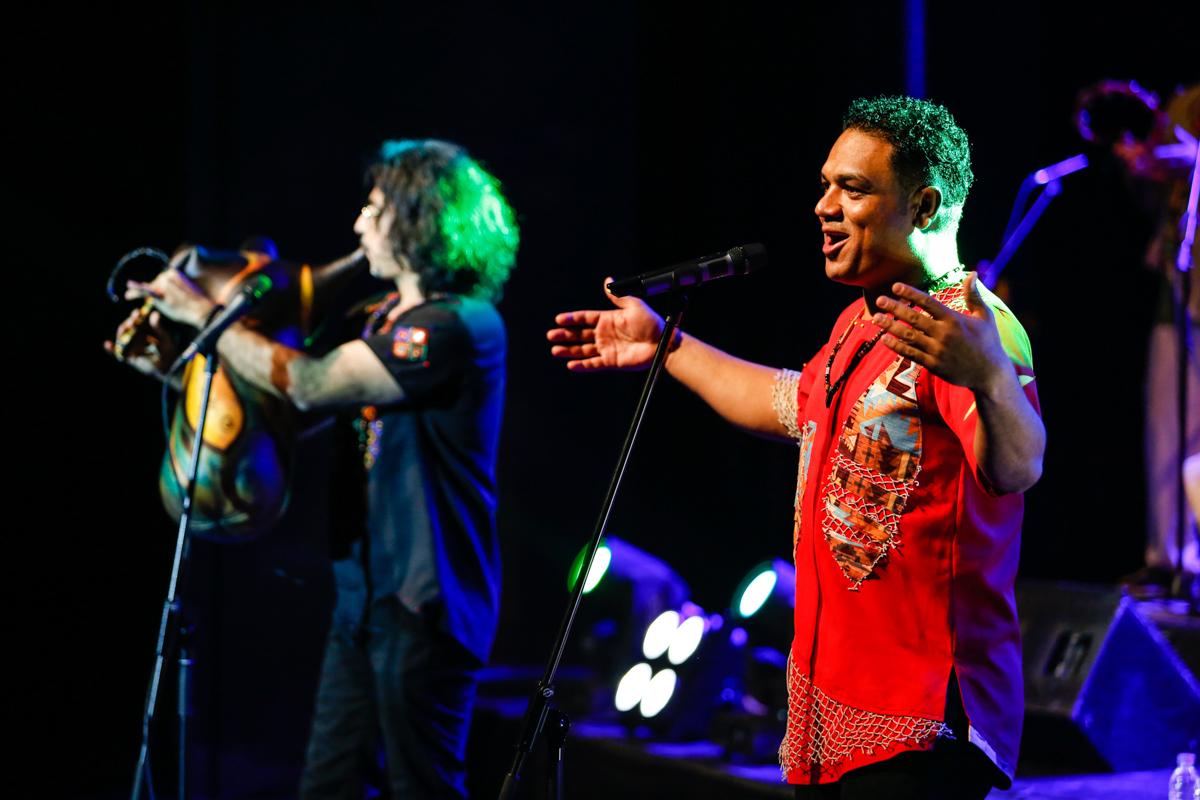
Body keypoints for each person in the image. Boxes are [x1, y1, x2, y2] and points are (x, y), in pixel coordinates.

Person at [548, 97, 1044, 799]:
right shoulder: (860, 322)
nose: (824, 207)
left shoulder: (970, 327)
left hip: (921, 720)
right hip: (835, 713)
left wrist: (990, 378)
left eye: (854, 189)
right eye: (825, 185)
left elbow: (1018, 466)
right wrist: (665, 345)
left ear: (924, 205)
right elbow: (789, 404)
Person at [115, 139, 519, 798]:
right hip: (362, 598)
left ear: (422, 220)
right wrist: (175, 369)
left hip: (428, 602)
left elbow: (309, 383)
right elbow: (285, 412)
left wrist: (205, 315)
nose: (359, 223)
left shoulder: (459, 326)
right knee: (328, 787)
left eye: (376, 209)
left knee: (423, 788)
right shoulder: (377, 318)